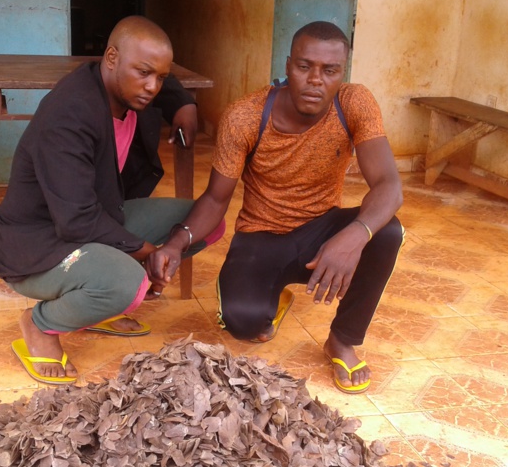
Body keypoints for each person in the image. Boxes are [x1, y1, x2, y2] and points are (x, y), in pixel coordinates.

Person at [146, 21, 404, 394]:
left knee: (387, 230)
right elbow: (216, 198)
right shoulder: (246, 116)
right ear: (287, 65)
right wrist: (176, 243)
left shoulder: (354, 103)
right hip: (261, 236)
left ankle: (342, 339)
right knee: (244, 323)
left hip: (323, 232)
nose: (315, 80)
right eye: (304, 66)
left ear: (342, 73)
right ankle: (270, 294)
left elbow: (389, 186)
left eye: (329, 71)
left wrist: (353, 236)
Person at [0, 16, 224, 385]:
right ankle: (40, 325)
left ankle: (97, 304)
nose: (152, 87)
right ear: (111, 57)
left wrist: (183, 104)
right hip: (39, 242)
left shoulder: (125, 91)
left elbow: (157, 70)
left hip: (97, 217)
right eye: (144, 73)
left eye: (159, 78)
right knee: (127, 283)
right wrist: (145, 251)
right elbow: (75, 220)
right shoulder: (69, 114)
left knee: (202, 221)